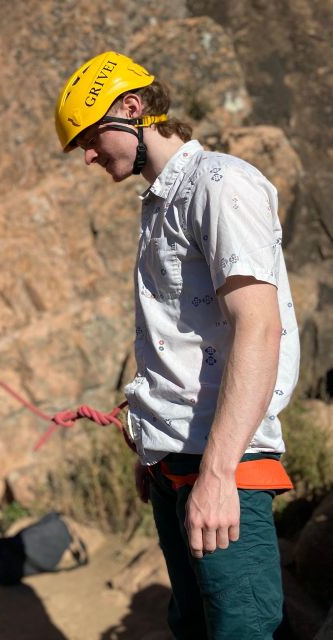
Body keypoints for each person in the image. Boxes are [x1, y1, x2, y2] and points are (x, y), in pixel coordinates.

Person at [55, 52, 299, 639]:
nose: (88, 156)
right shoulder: (161, 201)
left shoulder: (219, 182)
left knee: (241, 630)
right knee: (191, 625)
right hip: (174, 461)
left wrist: (216, 473)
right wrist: (153, 443)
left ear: (132, 110)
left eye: (89, 138)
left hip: (225, 466)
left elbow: (257, 328)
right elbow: (184, 338)